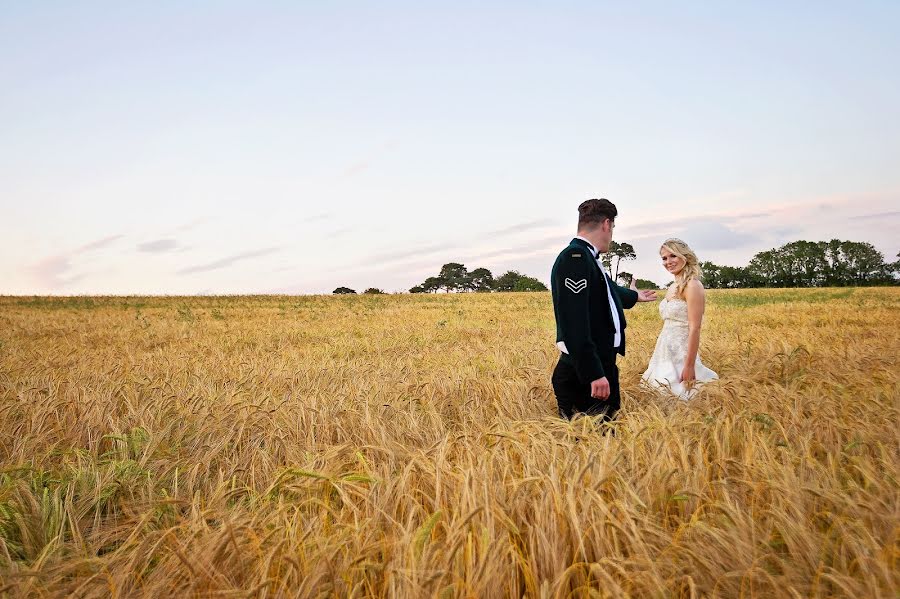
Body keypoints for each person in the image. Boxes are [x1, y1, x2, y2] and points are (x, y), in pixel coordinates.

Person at [550, 199, 657, 421]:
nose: (612, 234)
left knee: (604, 445)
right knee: (592, 444)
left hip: (598, 366)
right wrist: (593, 373)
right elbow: (574, 322)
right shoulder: (575, 258)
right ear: (606, 224)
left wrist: (634, 296)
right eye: (613, 228)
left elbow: (608, 291)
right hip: (585, 373)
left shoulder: (587, 257)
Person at [641, 238, 718, 399]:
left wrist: (689, 366)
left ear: (685, 257)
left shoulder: (692, 286)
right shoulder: (672, 286)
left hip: (681, 355)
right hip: (663, 352)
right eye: (664, 258)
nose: (668, 262)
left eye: (673, 256)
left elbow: (695, 328)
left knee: (681, 399)